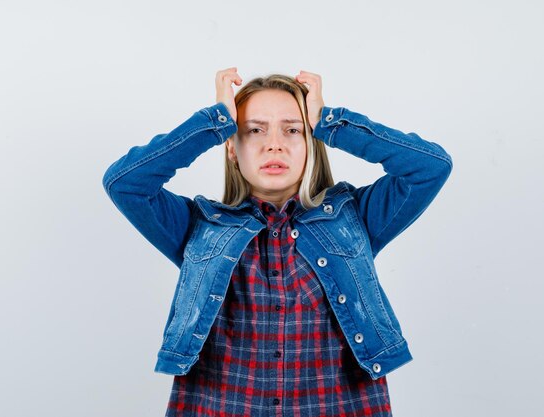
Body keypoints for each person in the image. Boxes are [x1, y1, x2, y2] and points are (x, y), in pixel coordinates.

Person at [102, 67, 453, 416]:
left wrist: (331, 123)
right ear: (232, 149)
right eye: (254, 130)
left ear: (312, 142)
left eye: (293, 130)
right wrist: (215, 122)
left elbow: (429, 167)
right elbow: (125, 184)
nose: (274, 143)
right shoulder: (198, 227)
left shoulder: (357, 218)